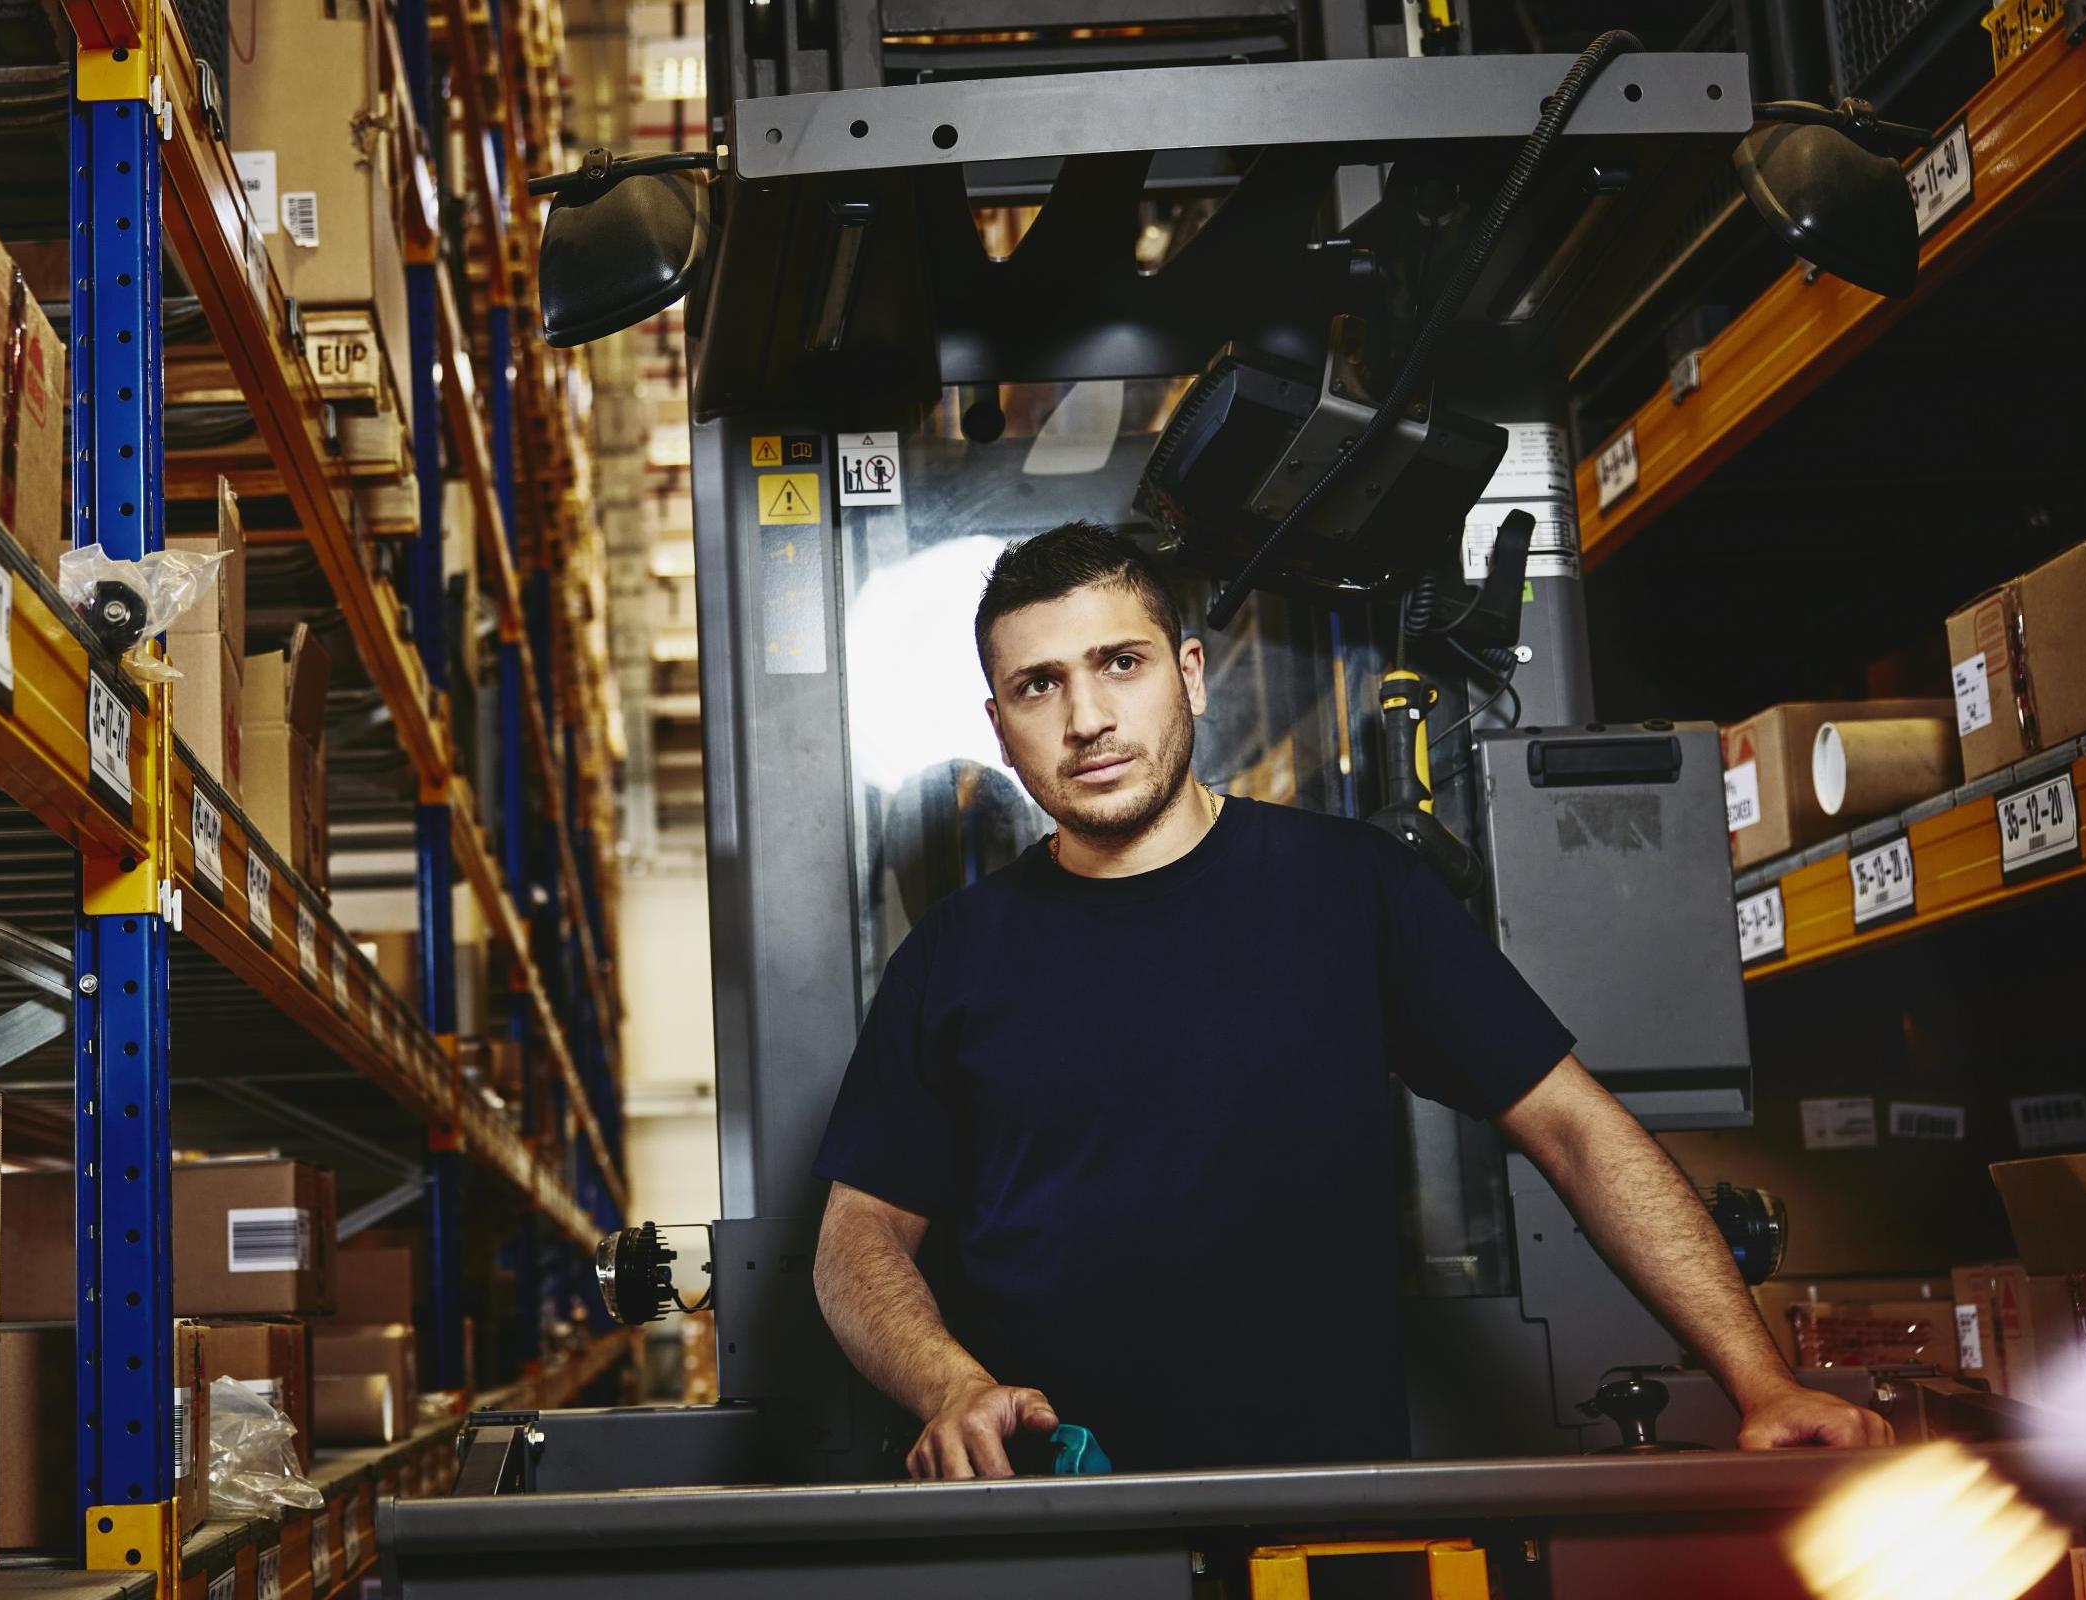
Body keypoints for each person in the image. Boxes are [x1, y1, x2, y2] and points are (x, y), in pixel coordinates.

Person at [809, 521, 1889, 1479]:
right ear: (999, 726)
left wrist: (1763, 1381)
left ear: (1188, 673)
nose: (1087, 716)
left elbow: (1574, 1130)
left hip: (1325, 1515)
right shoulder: (953, 957)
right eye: (1039, 685)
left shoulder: (1349, 889)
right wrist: (948, 1385)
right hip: (1055, 1522)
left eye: (1120, 663)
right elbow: (855, 1240)